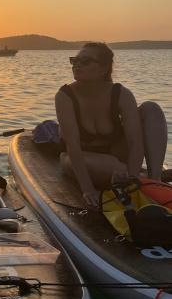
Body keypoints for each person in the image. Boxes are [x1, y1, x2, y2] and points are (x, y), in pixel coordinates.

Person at [55, 42, 168, 210]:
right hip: (81, 158)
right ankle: (133, 178)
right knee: (110, 166)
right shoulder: (65, 96)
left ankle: (154, 180)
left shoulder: (121, 94)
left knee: (151, 108)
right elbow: (73, 147)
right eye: (75, 60)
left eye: (85, 61)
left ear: (103, 68)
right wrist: (88, 190)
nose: (77, 64)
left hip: (116, 155)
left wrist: (132, 176)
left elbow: (135, 142)